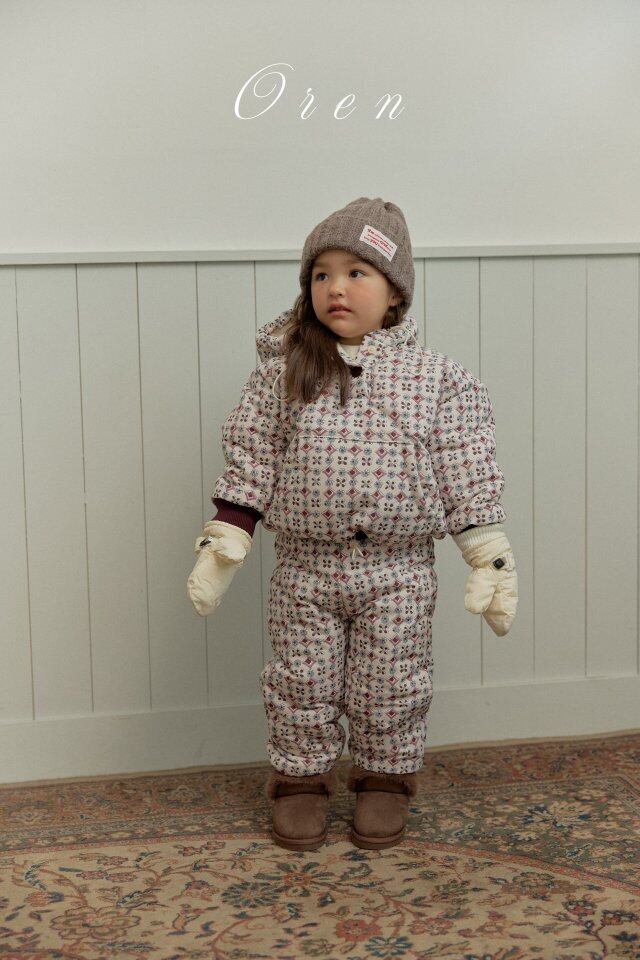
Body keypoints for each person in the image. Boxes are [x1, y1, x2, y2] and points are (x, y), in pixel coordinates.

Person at [187, 197, 518, 851]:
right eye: (321, 274)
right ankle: (300, 780)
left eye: (356, 272)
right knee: (300, 678)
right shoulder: (285, 375)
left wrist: (489, 555)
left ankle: (384, 778)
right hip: (306, 568)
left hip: (399, 571)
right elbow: (253, 458)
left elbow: (465, 466)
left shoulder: (439, 381)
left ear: (395, 293)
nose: (335, 288)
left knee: (392, 679)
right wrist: (225, 539)